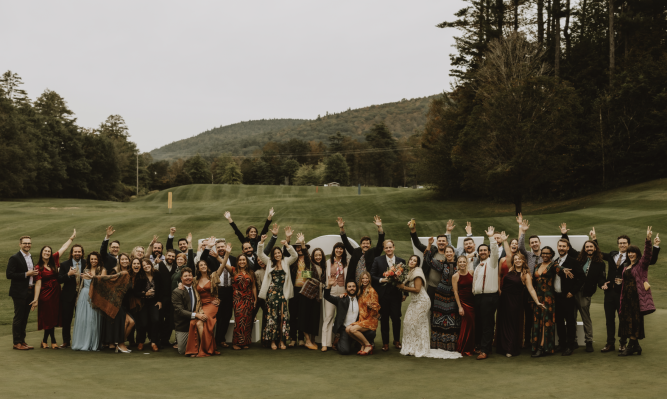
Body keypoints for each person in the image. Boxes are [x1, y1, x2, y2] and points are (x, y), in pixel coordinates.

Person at [594, 228, 661, 353]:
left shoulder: (636, 260)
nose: (622, 245)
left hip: (629, 294)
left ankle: (624, 344)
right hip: (614, 294)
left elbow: (649, 259)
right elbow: (599, 254)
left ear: (629, 245)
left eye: (625, 243)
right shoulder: (614, 256)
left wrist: (653, 243)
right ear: (618, 244)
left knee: (626, 319)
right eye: (620, 243)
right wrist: (594, 239)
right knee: (611, 320)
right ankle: (613, 344)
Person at [398, 255, 462, 359]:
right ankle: (410, 347)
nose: (412, 261)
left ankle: (420, 348)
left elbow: (417, 289)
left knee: (416, 323)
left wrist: (403, 287)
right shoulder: (408, 272)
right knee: (407, 322)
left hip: (422, 301)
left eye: (414, 260)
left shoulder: (417, 273)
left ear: (417, 263)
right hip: (414, 301)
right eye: (411, 259)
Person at [561, 224, 606, 353]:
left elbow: (601, 278)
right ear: (584, 249)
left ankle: (589, 341)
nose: (589, 248)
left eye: (591, 246)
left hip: (585, 293)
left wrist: (602, 284)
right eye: (587, 247)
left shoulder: (600, 263)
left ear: (595, 248)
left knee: (586, 318)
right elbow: (568, 248)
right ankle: (573, 340)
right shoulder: (579, 258)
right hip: (573, 291)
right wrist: (564, 234)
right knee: (572, 317)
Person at [496, 247, 544, 358]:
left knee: (512, 324)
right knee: (503, 323)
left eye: (520, 259)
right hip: (504, 299)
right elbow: (508, 254)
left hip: (515, 301)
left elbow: (531, 289)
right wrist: (504, 241)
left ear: (523, 261)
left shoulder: (525, 274)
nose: (517, 261)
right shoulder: (510, 269)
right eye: (516, 259)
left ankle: (510, 348)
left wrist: (537, 301)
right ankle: (502, 347)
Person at [31, 230, 75, 348]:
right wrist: (36, 299)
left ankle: (45, 340)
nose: (47, 253)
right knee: (48, 317)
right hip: (45, 294)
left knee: (54, 317)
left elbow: (63, 248)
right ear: (42, 253)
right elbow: (38, 284)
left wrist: (71, 239)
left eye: (49, 251)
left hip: (56, 293)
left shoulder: (54, 260)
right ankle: (53, 341)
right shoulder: (38, 267)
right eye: (45, 251)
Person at [617, 228, 657, 356]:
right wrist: (621, 281)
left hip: (636, 298)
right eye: (629, 253)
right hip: (626, 298)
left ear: (637, 254)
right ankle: (636, 346)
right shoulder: (626, 266)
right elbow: (627, 280)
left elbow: (647, 255)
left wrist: (648, 240)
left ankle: (630, 346)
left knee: (634, 321)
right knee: (627, 320)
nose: (630, 254)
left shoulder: (641, 264)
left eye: (633, 252)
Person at [185, 249, 229, 357]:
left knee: (200, 323)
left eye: (205, 264)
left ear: (207, 266)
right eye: (201, 265)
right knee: (193, 323)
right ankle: (201, 349)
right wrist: (180, 286)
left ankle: (203, 350)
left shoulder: (213, 276)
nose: (203, 266)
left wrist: (227, 253)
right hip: (200, 305)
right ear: (198, 268)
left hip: (212, 304)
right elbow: (184, 281)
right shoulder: (195, 280)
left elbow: (223, 265)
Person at [258, 231, 298, 350]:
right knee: (272, 318)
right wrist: (261, 242)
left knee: (282, 317)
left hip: (283, 293)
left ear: (281, 253)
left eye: (278, 253)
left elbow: (295, 256)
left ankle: (282, 341)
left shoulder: (286, 261)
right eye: (275, 253)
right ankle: (272, 341)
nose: (277, 255)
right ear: (272, 255)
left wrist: (287, 245)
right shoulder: (269, 262)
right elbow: (260, 254)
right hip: (271, 294)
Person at [408, 218, 456, 308]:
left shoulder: (451, 255)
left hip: (446, 288)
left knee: (444, 308)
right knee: (430, 308)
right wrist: (413, 230)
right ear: (437, 242)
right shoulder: (432, 250)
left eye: (443, 241)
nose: (441, 242)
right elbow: (417, 244)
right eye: (439, 241)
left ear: (447, 243)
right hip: (431, 286)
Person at [218, 245, 258, 350]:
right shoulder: (234, 271)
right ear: (237, 261)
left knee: (248, 321)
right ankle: (236, 343)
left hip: (249, 298)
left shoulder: (251, 272)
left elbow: (253, 287)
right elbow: (223, 264)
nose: (242, 262)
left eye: (243, 260)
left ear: (246, 261)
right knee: (239, 320)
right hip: (237, 298)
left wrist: (255, 300)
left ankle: (245, 342)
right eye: (240, 260)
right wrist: (225, 254)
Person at [422, 238, 459, 350]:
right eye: (446, 252)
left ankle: (452, 344)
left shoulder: (459, 264)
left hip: (453, 295)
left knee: (453, 318)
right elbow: (428, 259)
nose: (448, 253)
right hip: (441, 293)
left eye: (450, 252)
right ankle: (437, 343)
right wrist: (429, 245)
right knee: (438, 317)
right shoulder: (442, 264)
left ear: (453, 253)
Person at [200, 236, 237, 348]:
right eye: (218, 247)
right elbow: (202, 259)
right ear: (216, 248)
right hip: (217, 291)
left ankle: (221, 339)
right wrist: (208, 247)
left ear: (226, 247)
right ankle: (213, 339)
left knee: (227, 316)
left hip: (230, 290)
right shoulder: (211, 258)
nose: (221, 248)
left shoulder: (233, 259)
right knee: (217, 315)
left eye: (222, 246)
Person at [370, 239, 405, 352]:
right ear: (384, 249)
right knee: (384, 319)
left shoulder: (401, 261)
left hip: (396, 295)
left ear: (394, 247)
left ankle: (396, 340)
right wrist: (381, 280)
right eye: (386, 247)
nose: (388, 249)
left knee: (396, 318)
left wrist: (405, 293)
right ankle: (385, 343)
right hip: (383, 295)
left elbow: (405, 279)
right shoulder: (378, 260)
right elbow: (372, 275)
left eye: (390, 247)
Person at [289, 234, 322, 350]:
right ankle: (293, 338)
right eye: (296, 247)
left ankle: (302, 339)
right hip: (294, 289)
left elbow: (308, 259)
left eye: (301, 247)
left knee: (302, 315)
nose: (299, 249)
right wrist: (288, 239)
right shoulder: (292, 260)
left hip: (306, 291)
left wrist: (303, 243)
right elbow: (284, 252)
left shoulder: (309, 261)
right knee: (293, 314)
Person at [471, 227, 500, 360]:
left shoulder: (493, 262)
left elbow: (495, 252)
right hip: (478, 297)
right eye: (480, 250)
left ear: (488, 252)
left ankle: (485, 350)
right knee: (480, 323)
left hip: (489, 297)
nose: (482, 252)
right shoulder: (478, 265)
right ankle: (483, 346)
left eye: (485, 250)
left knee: (487, 324)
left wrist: (491, 237)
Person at [553, 238, 585, 356]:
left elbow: (582, 277)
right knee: (559, 321)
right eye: (559, 246)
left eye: (563, 246)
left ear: (567, 248)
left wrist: (573, 291)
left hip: (568, 296)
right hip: (557, 296)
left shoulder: (573, 261)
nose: (561, 248)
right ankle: (562, 344)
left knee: (570, 322)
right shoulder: (555, 262)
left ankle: (570, 345)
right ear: (557, 247)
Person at [7, 236, 38, 350]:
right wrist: (26, 274)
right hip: (19, 292)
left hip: (29, 291)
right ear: (20, 244)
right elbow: (9, 274)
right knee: (19, 317)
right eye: (25, 243)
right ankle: (16, 342)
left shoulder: (30, 257)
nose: (27, 245)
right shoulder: (14, 258)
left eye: (29, 243)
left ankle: (22, 341)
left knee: (25, 317)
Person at [71, 252, 107, 351]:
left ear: (98, 260)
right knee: (83, 320)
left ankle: (92, 343)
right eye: (92, 259)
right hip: (84, 296)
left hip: (95, 296)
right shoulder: (86, 269)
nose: (93, 261)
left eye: (95, 259)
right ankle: (81, 342)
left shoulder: (102, 270)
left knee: (92, 320)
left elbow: (103, 284)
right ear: (89, 260)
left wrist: (92, 278)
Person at [516, 214, 541, 347]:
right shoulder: (528, 255)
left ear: (540, 243)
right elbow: (520, 247)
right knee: (529, 316)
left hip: (541, 289)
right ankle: (527, 340)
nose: (534, 244)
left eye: (536, 242)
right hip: (527, 290)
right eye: (532, 243)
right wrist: (523, 232)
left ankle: (539, 340)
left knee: (539, 316)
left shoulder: (546, 255)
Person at [100, 253, 134, 353]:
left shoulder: (130, 271)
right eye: (122, 259)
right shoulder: (115, 271)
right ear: (119, 261)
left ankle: (119, 343)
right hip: (117, 302)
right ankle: (119, 343)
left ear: (129, 260)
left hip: (126, 302)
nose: (124, 261)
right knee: (125, 322)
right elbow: (108, 284)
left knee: (131, 322)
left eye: (126, 259)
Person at [337, 216, 385, 286]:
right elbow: (346, 242)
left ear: (370, 245)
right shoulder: (355, 252)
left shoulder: (374, 252)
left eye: (367, 243)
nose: (365, 245)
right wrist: (341, 228)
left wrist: (379, 227)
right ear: (360, 245)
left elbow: (380, 243)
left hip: (370, 285)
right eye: (364, 243)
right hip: (355, 285)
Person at [530, 246, 559, 358]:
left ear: (551, 255)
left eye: (548, 253)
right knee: (537, 322)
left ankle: (543, 347)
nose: (545, 255)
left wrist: (564, 270)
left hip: (548, 299)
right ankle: (536, 346)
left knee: (546, 323)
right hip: (538, 298)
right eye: (543, 253)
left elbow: (560, 270)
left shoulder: (554, 265)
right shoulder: (537, 266)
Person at [322, 241, 349, 352]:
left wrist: (347, 292)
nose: (339, 250)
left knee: (342, 318)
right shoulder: (328, 262)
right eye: (337, 248)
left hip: (343, 291)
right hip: (331, 291)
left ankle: (337, 341)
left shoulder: (347, 262)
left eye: (341, 248)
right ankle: (325, 343)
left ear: (343, 251)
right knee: (328, 316)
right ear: (334, 250)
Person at [58, 243, 86, 348]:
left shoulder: (86, 263)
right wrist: (68, 275)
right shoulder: (65, 264)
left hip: (82, 295)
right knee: (67, 319)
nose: (77, 253)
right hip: (68, 296)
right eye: (75, 252)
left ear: (82, 253)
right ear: (72, 253)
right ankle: (66, 341)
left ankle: (82, 340)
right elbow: (59, 279)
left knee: (83, 319)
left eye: (79, 251)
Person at [172, 267, 201, 355]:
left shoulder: (197, 288)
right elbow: (179, 311)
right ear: (181, 278)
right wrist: (196, 315)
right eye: (185, 276)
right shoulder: (177, 292)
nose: (188, 277)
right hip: (183, 324)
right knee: (182, 351)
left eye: (190, 275)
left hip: (197, 321)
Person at [135, 259, 162, 351]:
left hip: (154, 302)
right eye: (144, 265)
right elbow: (135, 292)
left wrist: (160, 301)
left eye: (147, 264)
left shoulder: (157, 274)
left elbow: (162, 288)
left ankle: (153, 342)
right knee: (144, 323)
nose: (146, 266)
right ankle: (141, 341)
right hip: (143, 303)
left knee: (155, 320)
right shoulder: (140, 276)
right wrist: (144, 294)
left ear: (151, 264)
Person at [452, 255, 475, 356]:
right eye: (460, 262)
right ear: (457, 264)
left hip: (473, 302)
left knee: (473, 325)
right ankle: (464, 348)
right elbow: (456, 292)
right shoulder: (455, 276)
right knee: (467, 325)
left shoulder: (471, 272)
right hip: (464, 303)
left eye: (463, 262)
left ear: (466, 263)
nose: (462, 264)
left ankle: (472, 347)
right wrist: (460, 307)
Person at [156, 249, 177, 348]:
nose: (171, 258)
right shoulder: (158, 265)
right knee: (159, 319)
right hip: (160, 297)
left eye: (173, 256)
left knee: (169, 319)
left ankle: (165, 340)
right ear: (165, 255)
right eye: (169, 256)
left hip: (172, 298)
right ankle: (157, 339)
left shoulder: (176, 267)